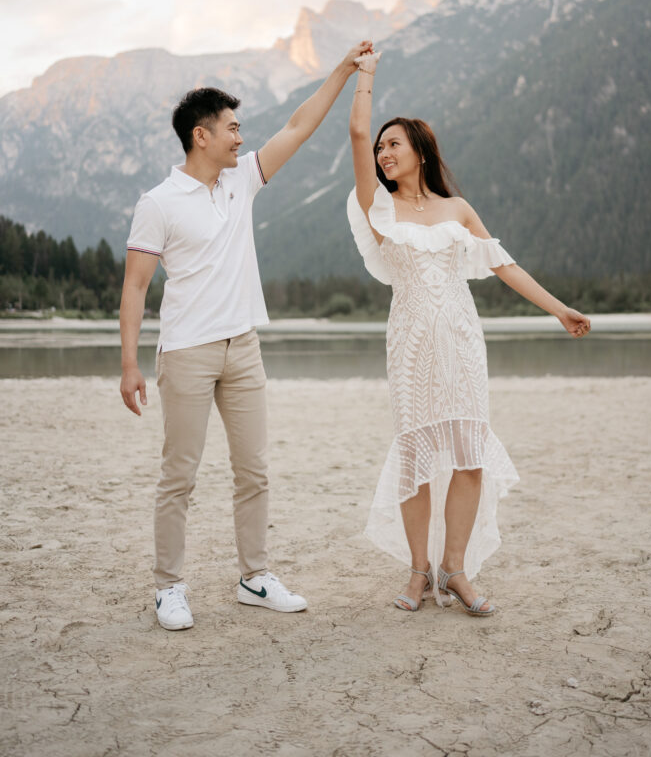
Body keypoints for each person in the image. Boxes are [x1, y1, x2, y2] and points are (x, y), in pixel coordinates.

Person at [120, 39, 373, 630]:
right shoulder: (157, 203)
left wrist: (342, 67)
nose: (242, 137)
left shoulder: (243, 182)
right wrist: (130, 365)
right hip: (185, 351)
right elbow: (135, 288)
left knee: (253, 470)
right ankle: (169, 588)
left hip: (244, 346)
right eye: (232, 128)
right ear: (201, 135)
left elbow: (299, 126)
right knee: (178, 475)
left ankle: (255, 578)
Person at [347, 51, 591, 614]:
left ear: (420, 152)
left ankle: (455, 570)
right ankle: (418, 574)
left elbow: (506, 266)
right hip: (409, 344)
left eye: (394, 146)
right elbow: (358, 130)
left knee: (468, 454)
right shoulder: (377, 208)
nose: (384, 154)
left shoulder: (458, 209)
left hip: (461, 341)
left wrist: (559, 309)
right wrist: (367, 74)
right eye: (382, 148)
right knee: (415, 454)